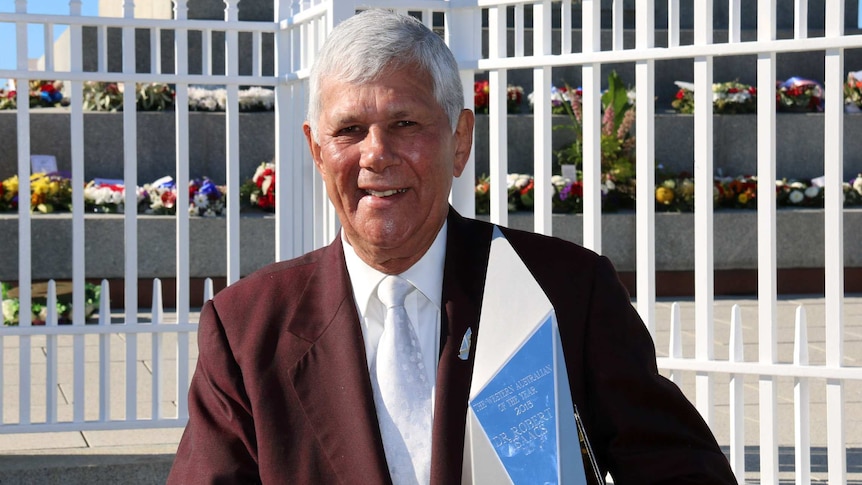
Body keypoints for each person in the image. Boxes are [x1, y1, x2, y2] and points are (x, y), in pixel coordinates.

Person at [168, 9, 736, 485]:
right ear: (317, 152)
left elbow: (684, 471)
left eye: (405, 123)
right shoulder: (246, 329)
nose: (376, 154)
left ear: (460, 140)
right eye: (348, 131)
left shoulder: (563, 292)